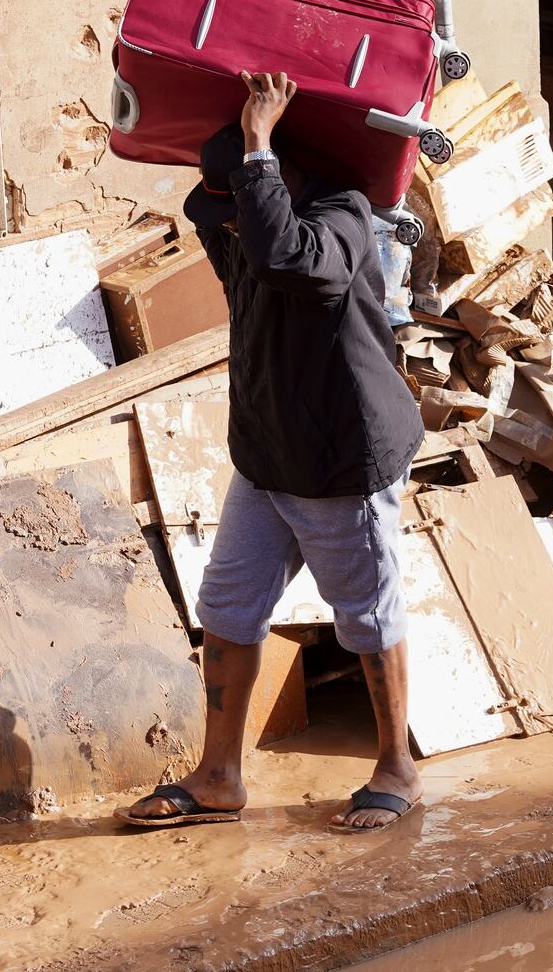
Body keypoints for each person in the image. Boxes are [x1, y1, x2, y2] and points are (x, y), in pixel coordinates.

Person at [118, 70, 426, 833]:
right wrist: (241, 184)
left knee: (365, 612)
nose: (226, 225)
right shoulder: (246, 230)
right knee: (227, 607)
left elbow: (296, 261)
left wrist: (258, 147)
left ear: (284, 175)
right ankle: (220, 775)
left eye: (243, 199)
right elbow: (250, 244)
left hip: (337, 454)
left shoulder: (342, 215)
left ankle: (397, 766)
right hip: (267, 451)